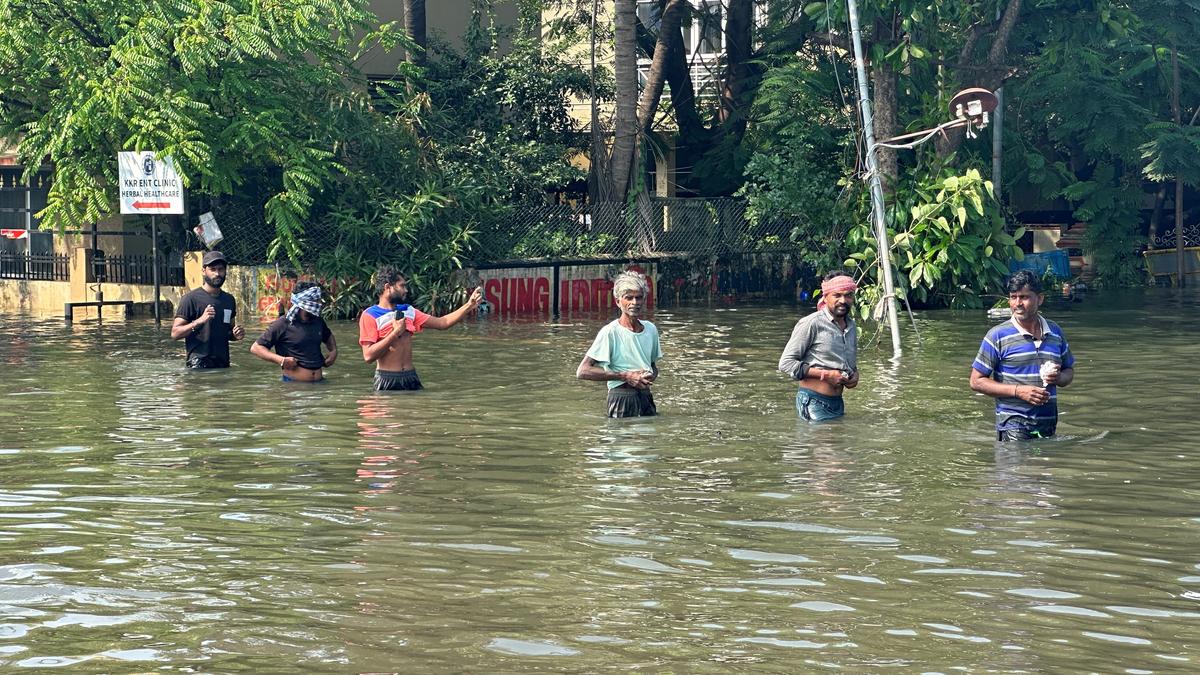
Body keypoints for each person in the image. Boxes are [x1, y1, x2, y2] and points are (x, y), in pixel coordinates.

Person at [970, 269, 1076, 441]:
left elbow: (1069, 371)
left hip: (1048, 424)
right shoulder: (997, 335)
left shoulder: (1055, 332)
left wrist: (1058, 378)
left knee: (1049, 459)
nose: (1017, 303)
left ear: (1040, 299)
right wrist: (1018, 391)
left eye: (1024, 297)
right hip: (1013, 425)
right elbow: (976, 381)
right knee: (1018, 460)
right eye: (1013, 297)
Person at [358, 266, 482, 391]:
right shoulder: (370, 315)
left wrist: (469, 305)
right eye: (402, 286)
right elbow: (368, 356)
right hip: (387, 380)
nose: (406, 290)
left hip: (411, 378)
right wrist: (395, 333)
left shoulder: (408, 310)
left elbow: (442, 323)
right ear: (387, 287)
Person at [576, 271, 662, 418]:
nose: (635, 302)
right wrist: (625, 376)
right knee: (621, 433)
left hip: (645, 397)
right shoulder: (610, 332)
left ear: (644, 300)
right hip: (621, 397)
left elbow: (653, 366)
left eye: (638, 297)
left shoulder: (650, 329)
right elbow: (582, 371)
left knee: (649, 432)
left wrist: (649, 376)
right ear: (618, 301)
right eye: (629, 298)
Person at [778, 271, 860, 421]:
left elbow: (849, 364)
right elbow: (786, 363)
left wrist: (854, 375)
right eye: (837, 295)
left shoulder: (851, 326)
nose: (843, 300)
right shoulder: (812, 323)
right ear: (826, 297)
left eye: (848, 295)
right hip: (813, 402)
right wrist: (826, 375)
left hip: (837, 403)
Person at [250, 281, 338, 382]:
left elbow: (328, 336)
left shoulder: (318, 321)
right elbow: (256, 348)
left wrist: (333, 351)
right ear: (304, 302)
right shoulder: (283, 324)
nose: (319, 304)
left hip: (319, 383)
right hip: (293, 385)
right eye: (315, 300)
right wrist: (281, 360)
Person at [171, 250, 245, 368]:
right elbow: (175, 334)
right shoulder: (190, 299)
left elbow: (228, 332)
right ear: (203, 271)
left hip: (223, 364)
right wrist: (200, 321)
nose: (217, 273)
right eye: (213, 269)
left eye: (220, 269)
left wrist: (236, 335)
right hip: (198, 365)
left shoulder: (229, 300)